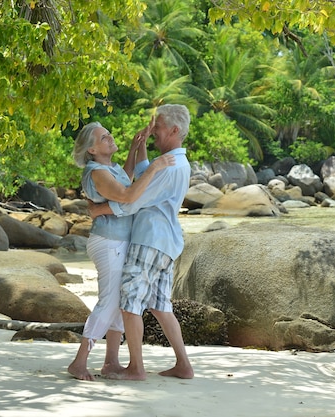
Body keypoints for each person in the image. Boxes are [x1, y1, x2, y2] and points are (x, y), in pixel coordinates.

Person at [89, 104, 194, 380]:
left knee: (129, 302)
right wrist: (142, 144)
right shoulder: (177, 162)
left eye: (157, 127)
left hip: (149, 240)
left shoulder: (169, 166)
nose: (154, 131)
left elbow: (134, 199)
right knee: (161, 306)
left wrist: (100, 210)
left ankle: (136, 368)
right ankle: (183, 365)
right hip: (166, 243)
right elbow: (147, 173)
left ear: (173, 130)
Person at [67, 121, 175, 381]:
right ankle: (79, 362)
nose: (109, 137)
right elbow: (127, 195)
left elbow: (125, 180)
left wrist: (134, 150)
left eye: (108, 133)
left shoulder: (109, 168)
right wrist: (155, 167)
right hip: (108, 242)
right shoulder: (96, 173)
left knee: (120, 303)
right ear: (92, 150)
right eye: (104, 137)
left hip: (118, 242)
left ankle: (111, 363)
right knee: (110, 302)